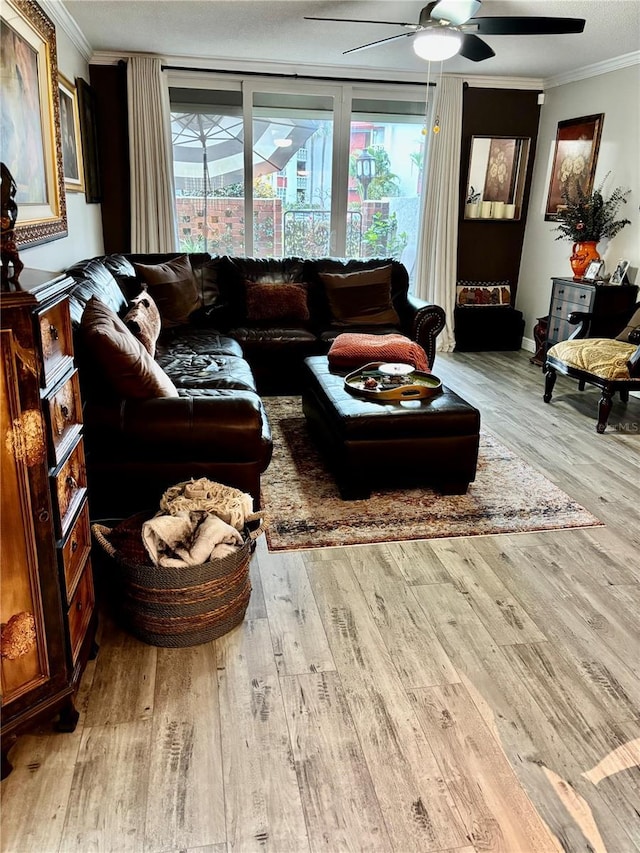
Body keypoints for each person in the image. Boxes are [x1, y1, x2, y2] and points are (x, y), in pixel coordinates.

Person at [1, 162, 24, 287]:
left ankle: (15, 264)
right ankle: (5, 269)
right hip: (6, 217)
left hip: (5, 216)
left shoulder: (4, 176)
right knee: (3, 251)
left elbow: (6, 195)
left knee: (6, 248)